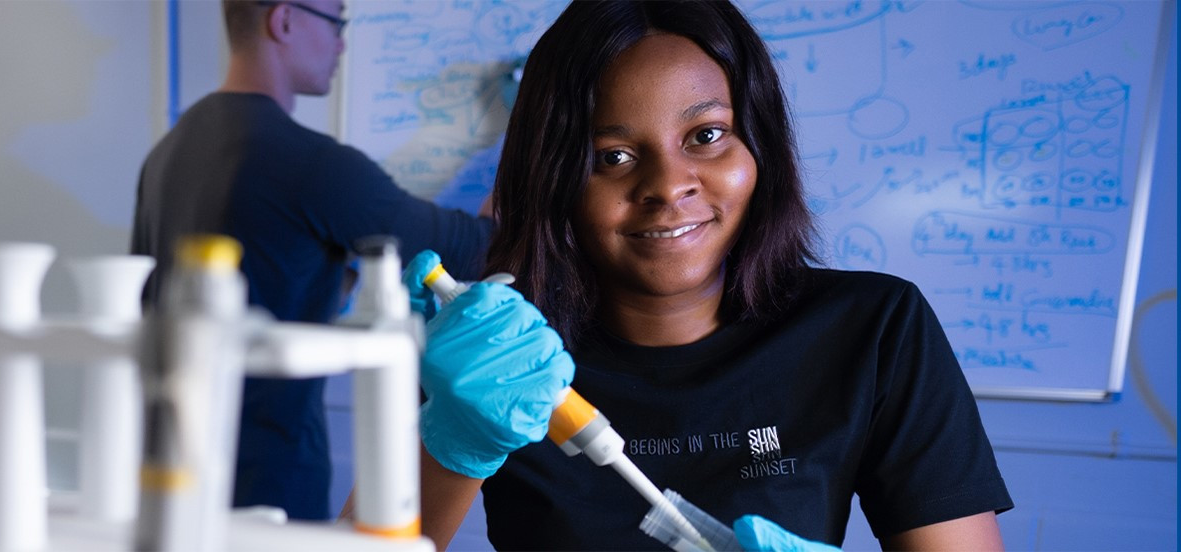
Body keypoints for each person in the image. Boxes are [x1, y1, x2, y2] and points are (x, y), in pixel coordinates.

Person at [406, 1, 1013, 550]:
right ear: (554, 179)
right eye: (612, 156)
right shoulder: (495, 357)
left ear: (760, 148)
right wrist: (448, 445)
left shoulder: (874, 329)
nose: (669, 186)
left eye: (706, 135)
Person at [130, 0, 496, 521]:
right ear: (283, 20)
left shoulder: (169, 152)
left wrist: (343, 273)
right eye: (337, 22)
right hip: (269, 484)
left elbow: (265, 271)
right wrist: (517, 135)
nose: (343, 42)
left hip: (165, 472)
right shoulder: (310, 164)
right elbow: (473, 247)